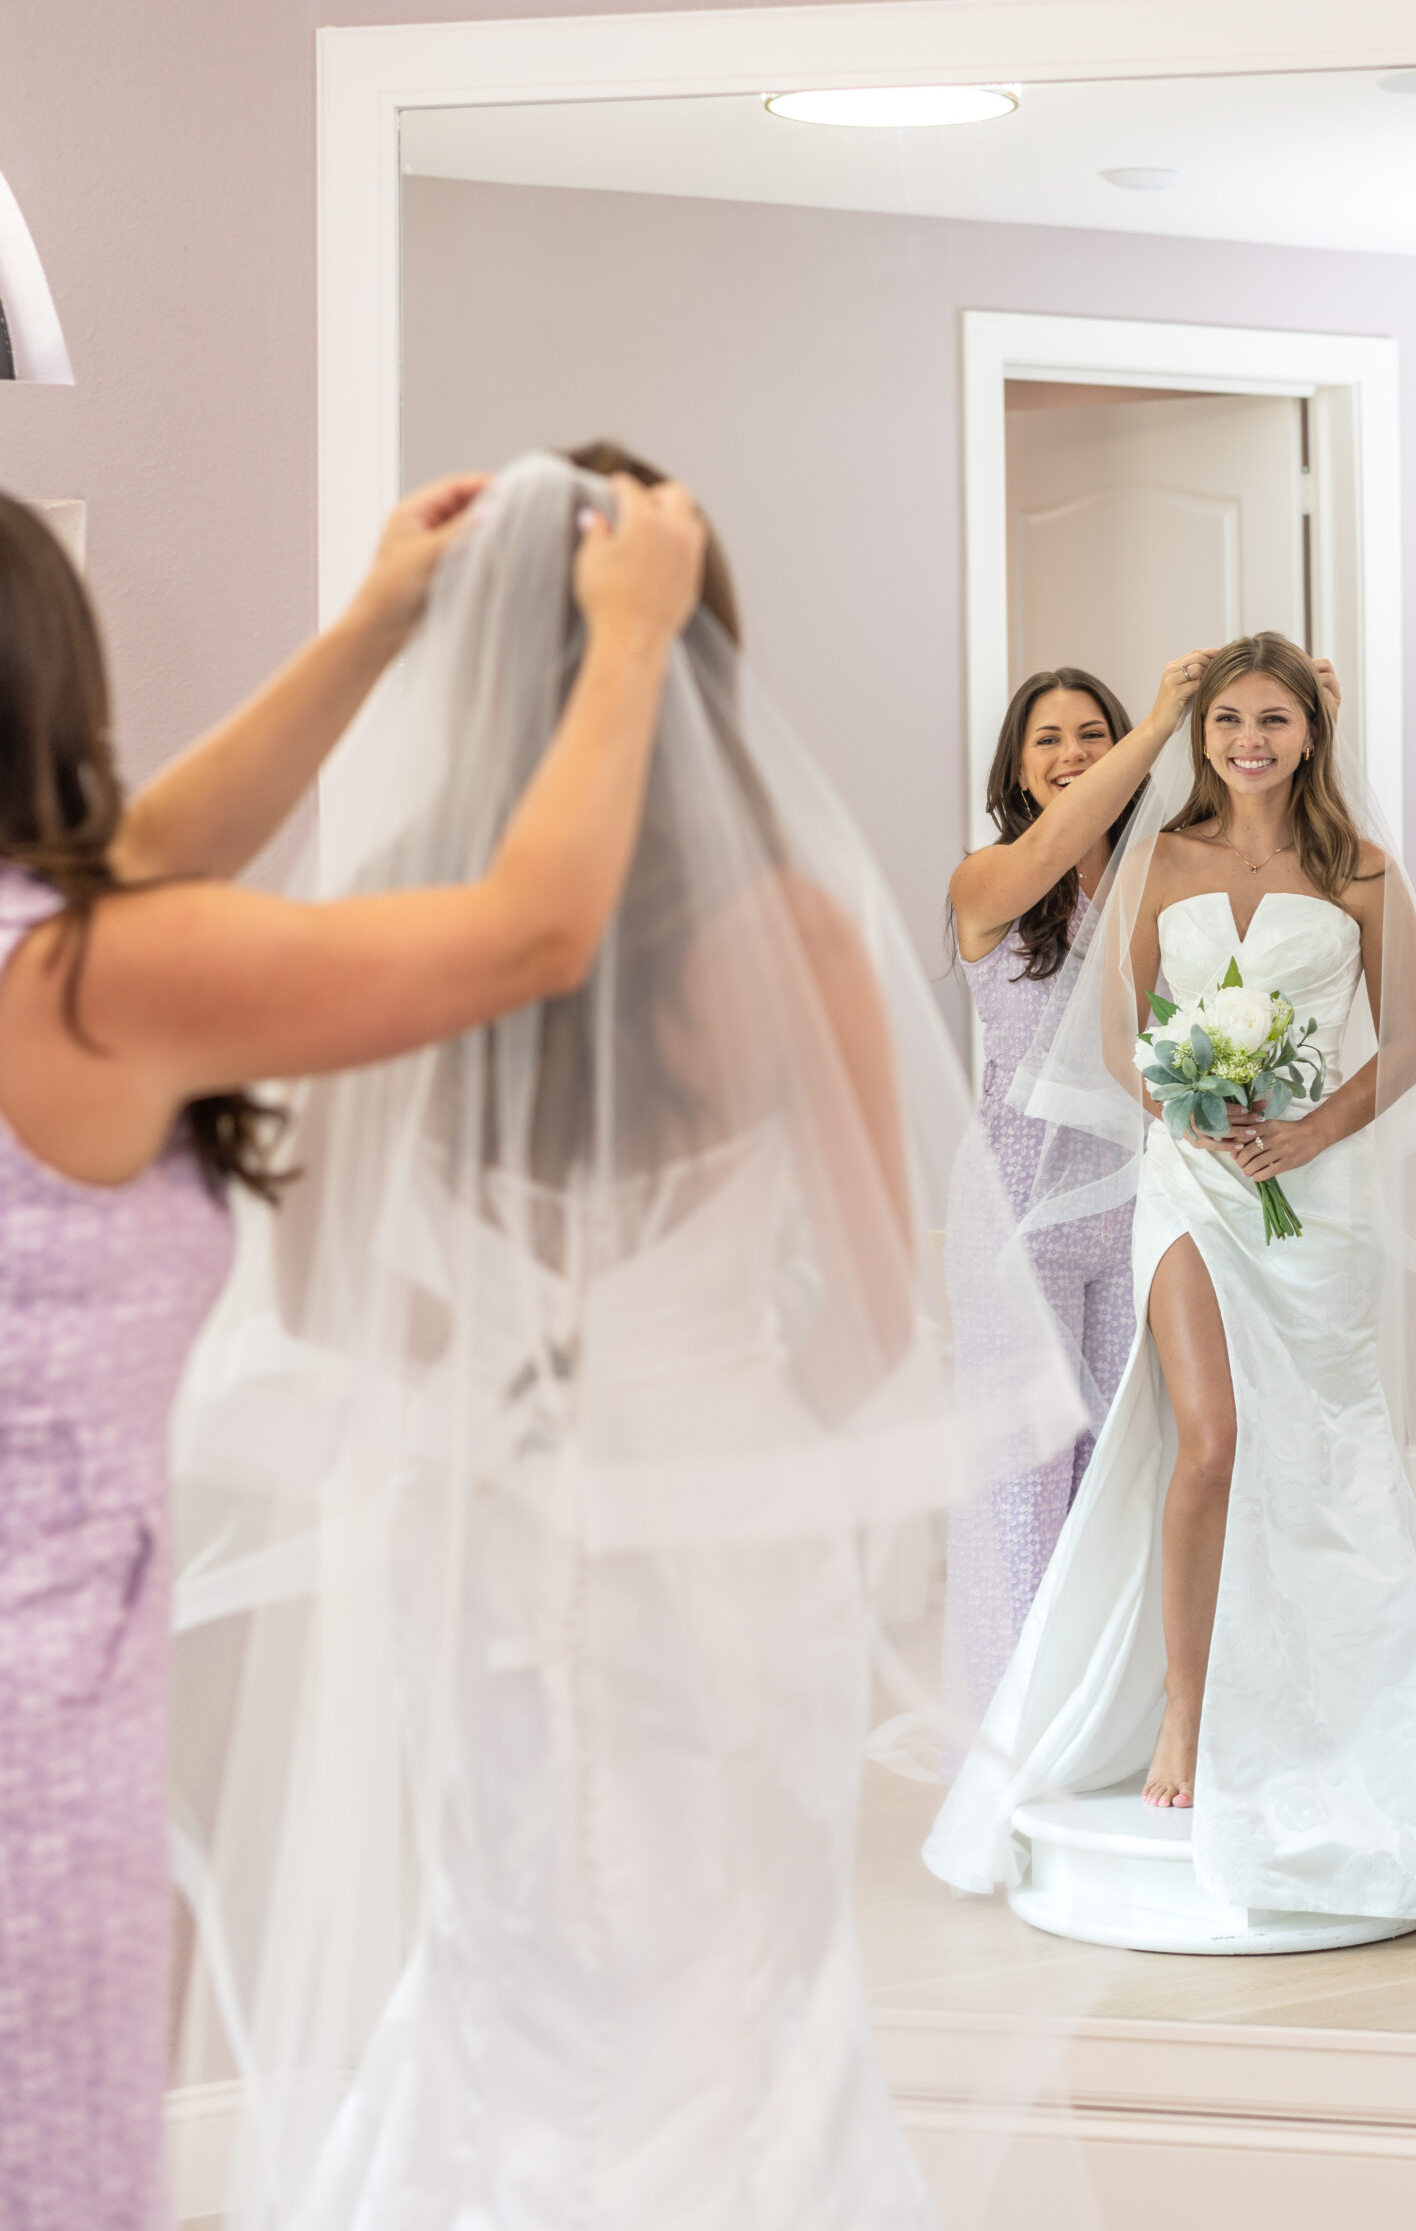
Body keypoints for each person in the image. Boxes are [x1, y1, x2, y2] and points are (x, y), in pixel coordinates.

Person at [166, 451, 1084, 2230]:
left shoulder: (406, 903)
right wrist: (724, 1424)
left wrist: (515, 1379)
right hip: (730, 1513)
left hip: (483, 1514)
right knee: (746, 1970)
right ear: (697, 647)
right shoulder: (791, 929)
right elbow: (879, 1310)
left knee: (501, 1943)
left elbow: (313, 1282)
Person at [0, 457, 707, 2231]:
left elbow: (151, 848)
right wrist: (629, 644)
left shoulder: (61, 949)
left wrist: (375, 624)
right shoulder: (86, 980)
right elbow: (530, 931)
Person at [923, 633, 1416, 1931]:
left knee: (1320, 1451)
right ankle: (1138, 1719)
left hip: (1302, 1190)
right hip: (1144, 1185)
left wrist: (1301, 1131)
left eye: (1272, 719)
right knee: (1191, 1448)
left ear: (1303, 730)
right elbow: (1114, 1036)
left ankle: (1336, 1708)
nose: (1248, 736)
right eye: (1227, 719)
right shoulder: (1117, 864)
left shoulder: (1357, 869)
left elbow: (1401, 1050)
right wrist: (1182, 1101)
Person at [939, 657, 1205, 1727]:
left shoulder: (1155, 882)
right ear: (1015, 765)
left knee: (1116, 1468)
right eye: (1047, 738)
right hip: (1013, 1212)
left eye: (1088, 735)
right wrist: (1157, 723)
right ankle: (1012, 1737)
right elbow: (1055, 842)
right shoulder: (986, 878)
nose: (1070, 755)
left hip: (1134, 1204)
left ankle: (1096, 1717)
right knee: (1021, 1475)